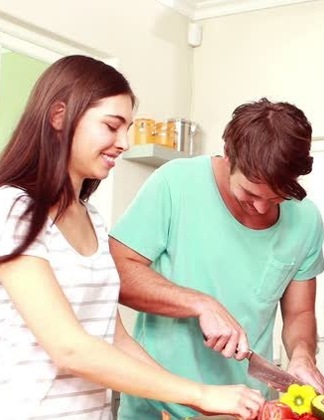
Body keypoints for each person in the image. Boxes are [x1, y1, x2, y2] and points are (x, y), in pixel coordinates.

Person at [0, 55, 263, 419]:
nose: (123, 142)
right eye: (111, 126)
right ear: (59, 116)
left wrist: (197, 404)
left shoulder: (90, 217)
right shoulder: (12, 208)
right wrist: (201, 393)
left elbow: (115, 338)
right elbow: (68, 348)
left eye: (128, 128)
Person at [109, 98, 324, 419]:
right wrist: (200, 304)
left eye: (277, 197)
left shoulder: (306, 220)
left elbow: (300, 313)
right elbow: (114, 273)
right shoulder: (175, 183)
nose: (263, 208)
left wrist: (302, 355)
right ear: (228, 155)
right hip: (157, 408)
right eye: (250, 194)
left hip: (245, 409)